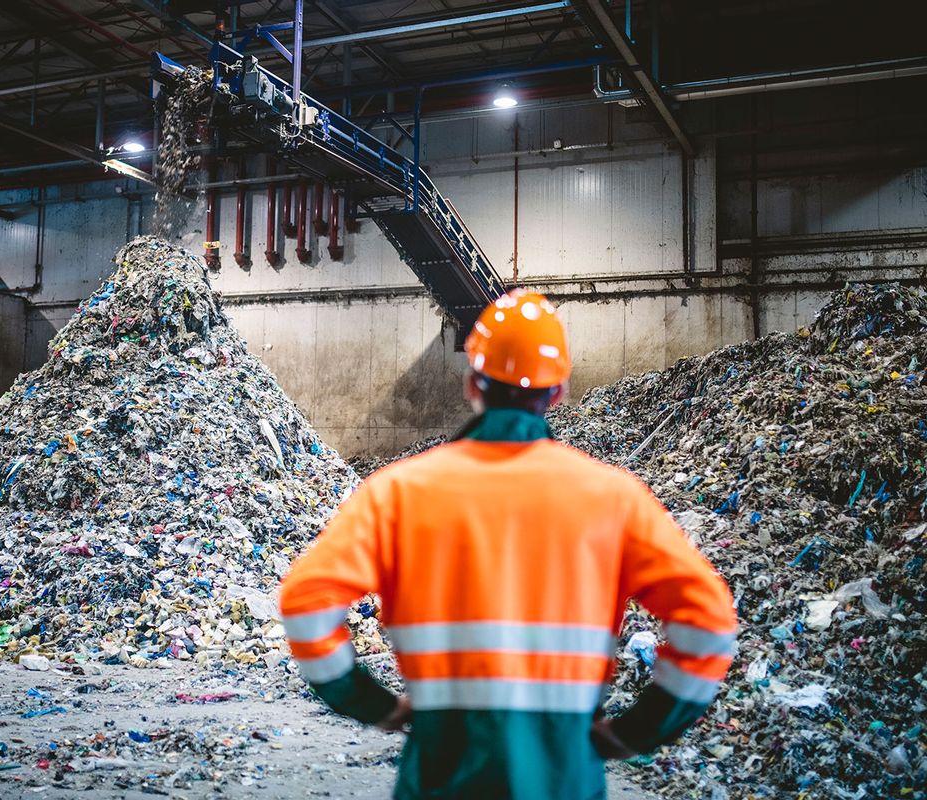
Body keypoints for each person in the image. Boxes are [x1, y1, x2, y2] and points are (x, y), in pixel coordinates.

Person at [278, 290, 737, 799]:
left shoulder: (398, 492)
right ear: (557, 393)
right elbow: (709, 623)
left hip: (440, 774)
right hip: (564, 777)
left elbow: (306, 603)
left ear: (473, 382)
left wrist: (371, 703)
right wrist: (638, 730)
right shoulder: (614, 498)